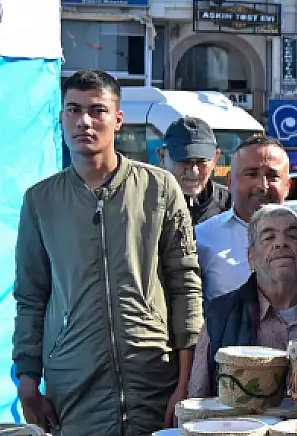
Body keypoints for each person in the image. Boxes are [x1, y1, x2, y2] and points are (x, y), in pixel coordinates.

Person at [13, 70, 203, 434]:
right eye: (73, 110)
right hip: (74, 384)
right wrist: (26, 378)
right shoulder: (41, 200)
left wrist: (186, 382)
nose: (84, 121)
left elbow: (185, 285)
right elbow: (31, 296)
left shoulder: (158, 188)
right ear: (61, 118)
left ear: (118, 119)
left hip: (154, 379)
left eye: (97, 110)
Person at [187, 204, 297, 397]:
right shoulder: (220, 317)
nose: (281, 243)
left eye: (292, 236)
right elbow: (197, 400)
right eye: (269, 237)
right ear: (251, 259)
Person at [195, 135, 297, 301]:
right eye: (251, 174)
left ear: (288, 186)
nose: (262, 185)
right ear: (230, 181)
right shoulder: (202, 238)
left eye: (272, 176)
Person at [157, 116, 231, 226]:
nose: (194, 171)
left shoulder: (231, 206)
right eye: (184, 161)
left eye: (202, 161)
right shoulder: (147, 205)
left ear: (215, 158)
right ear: (162, 156)